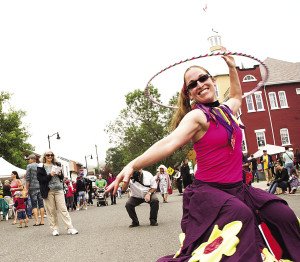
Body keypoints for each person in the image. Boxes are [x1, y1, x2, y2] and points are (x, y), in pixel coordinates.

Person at [107, 55, 300, 261]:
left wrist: (232, 67)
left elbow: (236, 94)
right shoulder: (197, 117)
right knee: (240, 215)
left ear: (212, 80)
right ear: (189, 93)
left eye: (203, 78)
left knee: (282, 213)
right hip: (210, 193)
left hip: (239, 189)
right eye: (193, 84)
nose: (200, 84)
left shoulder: (226, 111)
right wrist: (132, 165)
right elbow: (169, 143)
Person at [37, 150, 78, 236]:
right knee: (51, 211)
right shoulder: (40, 166)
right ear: (44, 156)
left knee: (63, 209)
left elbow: (62, 177)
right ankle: (54, 228)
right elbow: (41, 180)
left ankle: (70, 227)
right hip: (48, 191)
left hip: (59, 189)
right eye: (48, 155)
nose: (50, 157)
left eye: (51, 155)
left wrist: (60, 174)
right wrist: (50, 175)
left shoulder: (57, 164)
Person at [25, 154, 45, 226]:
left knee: (34, 204)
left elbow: (27, 179)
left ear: (32, 159)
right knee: (41, 204)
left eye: (29, 159)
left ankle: (36, 221)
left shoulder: (29, 166)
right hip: (40, 187)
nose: (28, 161)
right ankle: (42, 220)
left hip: (32, 188)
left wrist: (26, 189)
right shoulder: (40, 165)